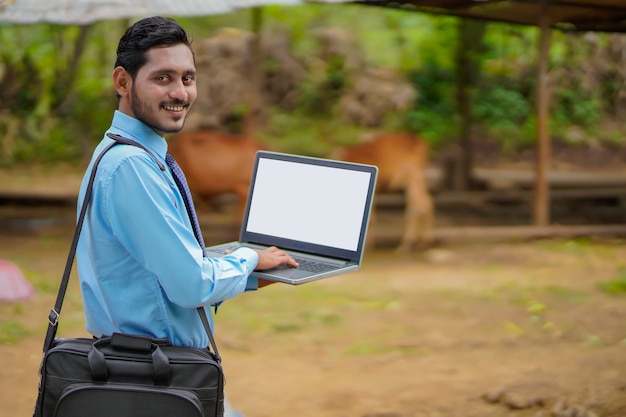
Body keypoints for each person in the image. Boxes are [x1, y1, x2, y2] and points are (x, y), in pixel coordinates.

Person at [75, 15, 298, 416]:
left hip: (159, 373)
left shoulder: (131, 156)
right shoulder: (131, 167)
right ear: (122, 82)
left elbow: (160, 271)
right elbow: (190, 285)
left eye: (188, 78)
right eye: (163, 78)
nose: (180, 93)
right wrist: (248, 257)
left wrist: (249, 275)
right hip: (154, 381)